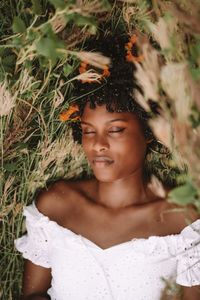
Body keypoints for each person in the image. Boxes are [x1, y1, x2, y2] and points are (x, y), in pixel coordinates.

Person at [15, 31, 200, 300]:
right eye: (89, 131)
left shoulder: (183, 222)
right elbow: (33, 296)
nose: (98, 144)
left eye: (114, 130)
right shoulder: (53, 207)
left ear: (149, 131)